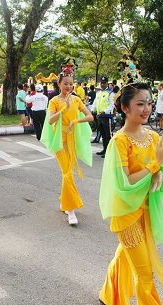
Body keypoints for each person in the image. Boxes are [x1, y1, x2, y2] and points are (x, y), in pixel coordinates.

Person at [98, 82, 163, 305]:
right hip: (126, 215)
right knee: (145, 274)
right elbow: (125, 182)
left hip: (147, 212)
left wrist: (162, 171)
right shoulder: (119, 142)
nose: (146, 109)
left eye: (149, 103)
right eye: (140, 103)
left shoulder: (153, 136)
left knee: (125, 256)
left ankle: (110, 295)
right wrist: (155, 166)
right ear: (125, 108)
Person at [40, 62, 93, 225]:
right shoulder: (54, 100)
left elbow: (90, 116)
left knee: (68, 172)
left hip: (72, 140)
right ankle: (70, 210)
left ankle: (64, 201)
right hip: (59, 140)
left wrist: (76, 120)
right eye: (65, 83)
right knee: (68, 173)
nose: (68, 86)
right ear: (59, 84)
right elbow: (50, 120)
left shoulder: (77, 100)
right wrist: (63, 110)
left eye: (71, 84)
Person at [93, 76, 115, 158]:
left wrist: (104, 111)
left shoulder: (110, 93)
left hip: (106, 116)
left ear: (107, 83)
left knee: (108, 135)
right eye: (101, 83)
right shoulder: (98, 93)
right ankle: (104, 149)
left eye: (104, 83)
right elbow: (95, 103)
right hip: (99, 116)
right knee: (102, 134)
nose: (102, 84)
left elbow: (112, 105)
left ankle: (109, 152)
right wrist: (92, 110)